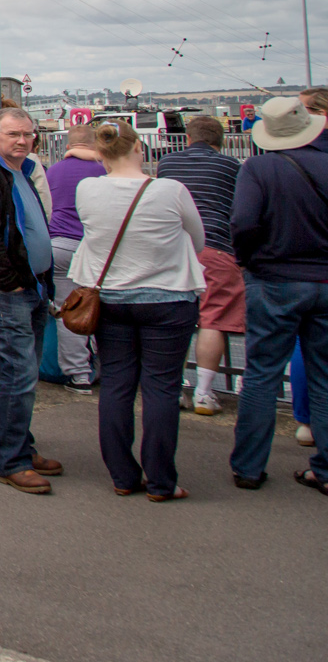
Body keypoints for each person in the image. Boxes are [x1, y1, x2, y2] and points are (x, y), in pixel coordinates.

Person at [70, 119, 204, 500]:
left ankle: (122, 475)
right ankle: (161, 480)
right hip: (168, 298)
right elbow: (197, 237)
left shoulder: (88, 189)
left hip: (110, 298)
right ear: (138, 149)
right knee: (161, 388)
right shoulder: (170, 190)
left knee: (116, 383)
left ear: (101, 153)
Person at [225, 96, 328, 492]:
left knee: (262, 375)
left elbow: (244, 221)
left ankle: (249, 467)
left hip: (273, 278)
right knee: (324, 376)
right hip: (324, 279)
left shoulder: (260, 168)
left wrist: (248, 260)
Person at [0, 108, 62, 494]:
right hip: (9, 292)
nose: (22, 140)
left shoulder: (20, 172)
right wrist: (9, 283)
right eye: (14, 134)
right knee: (18, 375)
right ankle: (12, 460)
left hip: (29, 287)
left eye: (28, 134)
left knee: (19, 375)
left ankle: (19, 446)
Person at [157, 115, 244, 417]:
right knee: (213, 318)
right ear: (221, 141)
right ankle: (205, 393)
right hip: (216, 246)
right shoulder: (232, 167)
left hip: (174, 248)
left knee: (175, 317)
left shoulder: (167, 164)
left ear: (189, 138)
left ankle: (175, 388)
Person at [44, 123, 106, 389]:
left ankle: (78, 374)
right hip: (95, 248)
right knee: (104, 311)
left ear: (68, 146)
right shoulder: (104, 171)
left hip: (59, 246)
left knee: (67, 312)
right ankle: (109, 368)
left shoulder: (54, 171)